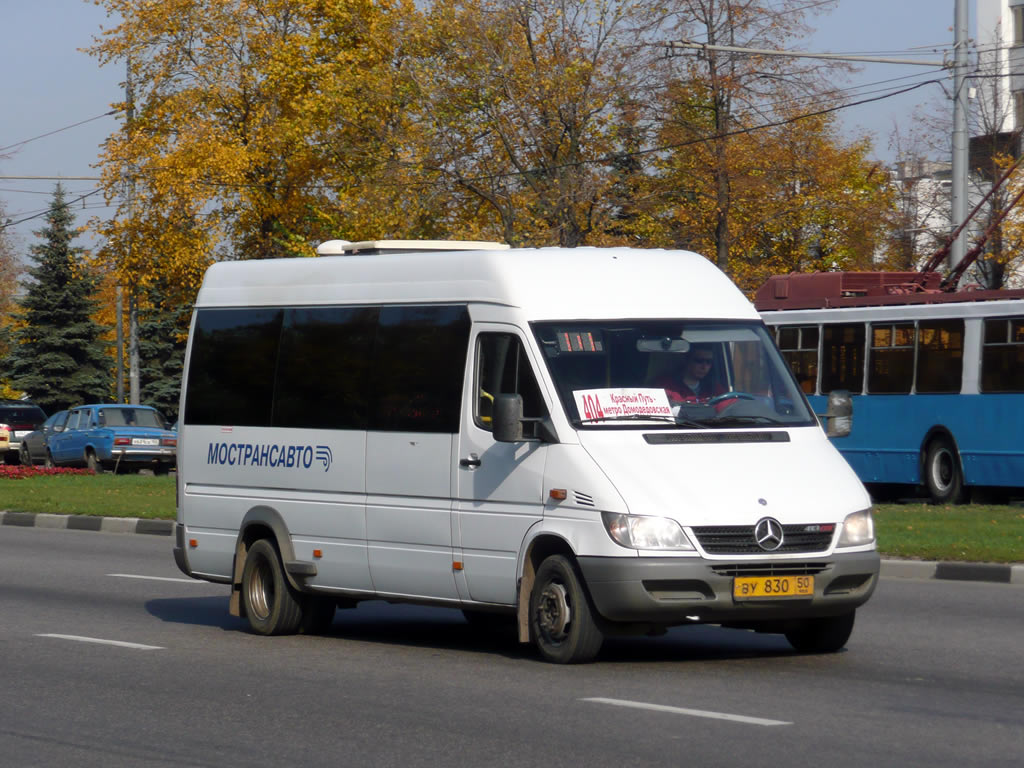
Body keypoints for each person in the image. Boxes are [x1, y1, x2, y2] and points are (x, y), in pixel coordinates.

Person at [654, 344, 724, 403]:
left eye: (708, 362)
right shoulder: (666, 386)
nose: (704, 367)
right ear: (686, 360)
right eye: (699, 361)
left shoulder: (714, 388)